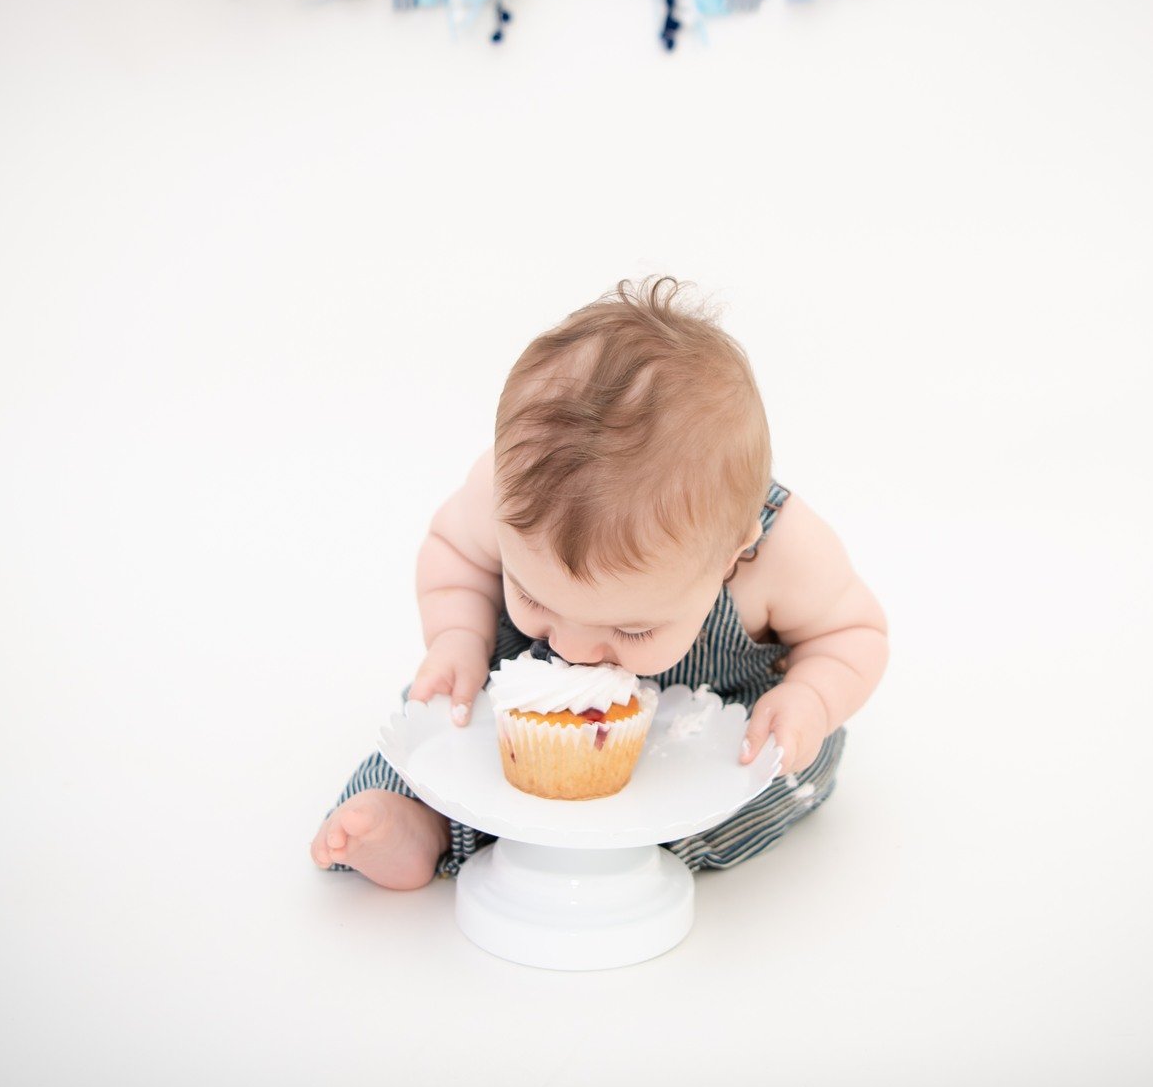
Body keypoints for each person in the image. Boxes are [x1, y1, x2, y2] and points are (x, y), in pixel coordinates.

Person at [310, 276, 890, 889]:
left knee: (771, 767)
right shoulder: (505, 487)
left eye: (632, 626)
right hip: (529, 697)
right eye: (533, 596)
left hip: (705, 724)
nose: (575, 650)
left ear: (730, 555)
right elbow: (454, 549)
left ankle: (647, 852)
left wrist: (813, 699)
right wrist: (457, 636)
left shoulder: (783, 552)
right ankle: (419, 823)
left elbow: (854, 633)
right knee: (443, 724)